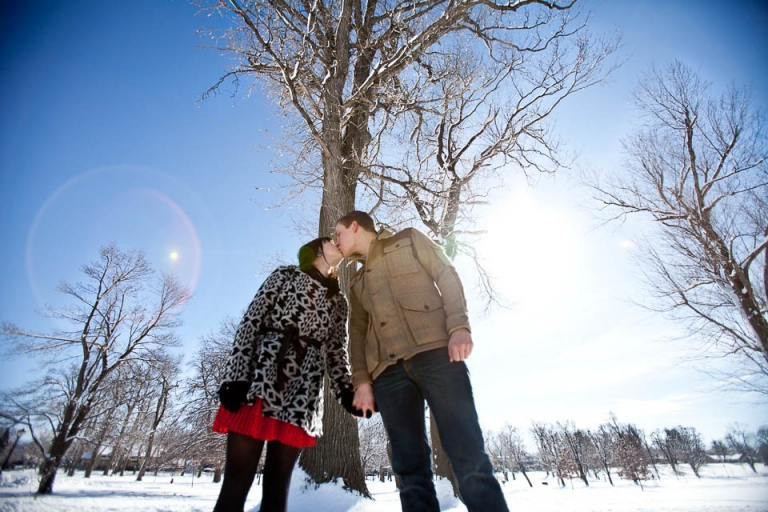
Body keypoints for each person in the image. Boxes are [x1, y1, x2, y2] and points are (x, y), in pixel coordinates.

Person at [334, 211, 509, 512]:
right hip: (388, 375)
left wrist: (459, 325)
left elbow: (446, 273)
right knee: (409, 469)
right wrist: (361, 381)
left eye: (338, 234)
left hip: (437, 354)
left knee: (467, 453)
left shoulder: (410, 239)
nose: (336, 241)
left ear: (354, 226)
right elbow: (357, 333)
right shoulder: (356, 282)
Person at [212, 236, 364, 512]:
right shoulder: (284, 275)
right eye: (333, 240)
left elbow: (336, 351)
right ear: (318, 248)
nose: (339, 244)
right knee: (236, 483)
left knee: (278, 488)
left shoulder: (338, 301)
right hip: (261, 378)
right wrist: (236, 377)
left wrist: (345, 392)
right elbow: (251, 323)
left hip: (303, 393)